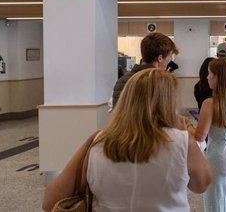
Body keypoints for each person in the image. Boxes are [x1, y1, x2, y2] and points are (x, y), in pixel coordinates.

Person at [42, 68, 212, 211]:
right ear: (168, 104)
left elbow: (50, 201)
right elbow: (201, 185)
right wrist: (182, 133)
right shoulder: (182, 142)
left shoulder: (98, 141)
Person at [189, 58, 226, 212]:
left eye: (210, 74)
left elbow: (200, 136)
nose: (207, 77)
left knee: (217, 200)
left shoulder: (210, 103)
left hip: (219, 157)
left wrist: (187, 125)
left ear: (218, 78)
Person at [111, 32, 178, 109]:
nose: (170, 61)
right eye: (170, 57)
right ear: (160, 58)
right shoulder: (160, 83)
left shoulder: (121, 81)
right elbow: (162, 116)